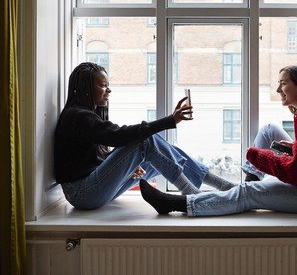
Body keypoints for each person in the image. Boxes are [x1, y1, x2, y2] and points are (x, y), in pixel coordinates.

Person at [140, 64, 297, 216]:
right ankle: (244, 187)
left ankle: (175, 203)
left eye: (283, 83)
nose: (278, 89)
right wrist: (292, 148)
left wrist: (257, 156)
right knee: (269, 130)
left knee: (248, 193)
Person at [54, 62, 234, 210]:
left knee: (157, 158)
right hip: (82, 194)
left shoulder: (82, 115)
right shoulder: (77, 116)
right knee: (145, 142)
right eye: (102, 85)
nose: (109, 90)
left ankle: (222, 187)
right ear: (85, 87)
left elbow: (85, 160)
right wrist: (169, 120)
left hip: (88, 191)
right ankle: (192, 192)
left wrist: (128, 166)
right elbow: (118, 136)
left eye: (108, 85)